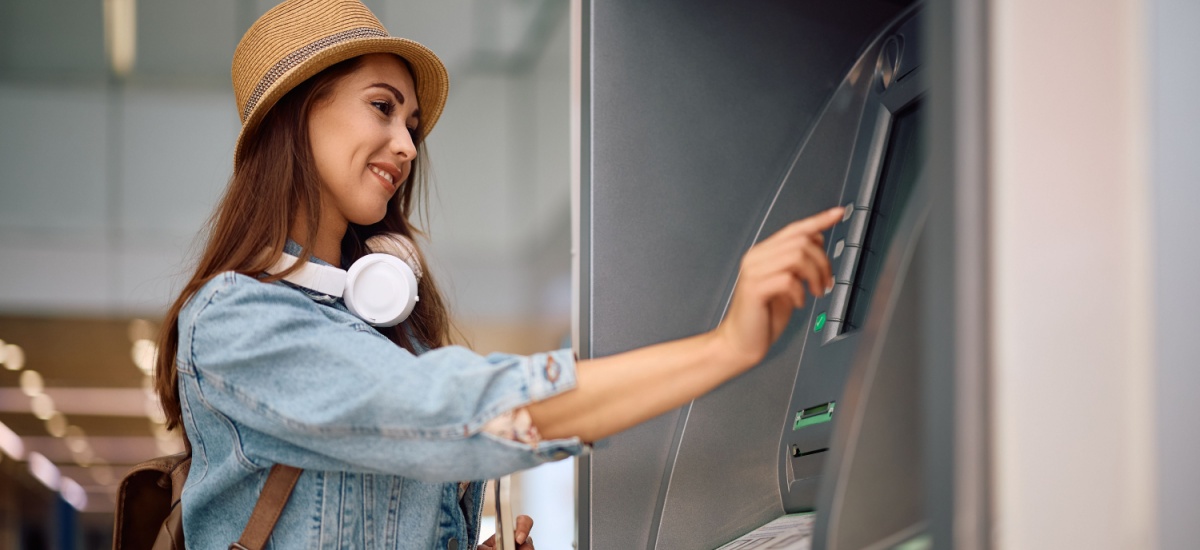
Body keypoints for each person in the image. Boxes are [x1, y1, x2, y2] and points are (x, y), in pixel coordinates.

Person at [151, 0, 845, 548]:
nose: (407, 146)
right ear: (299, 115)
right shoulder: (236, 321)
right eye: (382, 107)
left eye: (413, 126)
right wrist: (726, 348)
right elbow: (454, 412)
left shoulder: (390, 334)